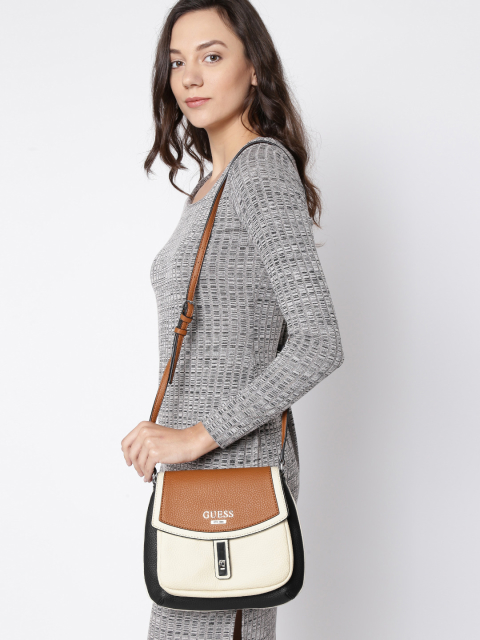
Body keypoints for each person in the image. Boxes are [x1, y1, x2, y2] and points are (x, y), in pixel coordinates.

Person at [120, 0, 345, 638]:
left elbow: (318, 341)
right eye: (176, 62)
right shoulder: (209, 187)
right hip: (198, 473)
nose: (189, 77)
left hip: (232, 473)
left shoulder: (260, 170)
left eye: (211, 56)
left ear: (255, 68)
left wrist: (195, 436)